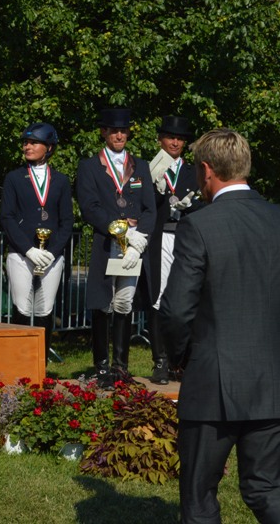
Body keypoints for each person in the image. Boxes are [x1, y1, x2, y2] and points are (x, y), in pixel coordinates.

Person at [160, 128, 280, 524]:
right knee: (266, 489)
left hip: (212, 381)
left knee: (198, 496)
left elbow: (177, 309)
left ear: (207, 170)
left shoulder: (199, 225)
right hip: (272, 382)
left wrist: (179, 359)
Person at [75, 107, 155, 387]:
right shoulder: (89, 166)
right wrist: (120, 229)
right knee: (103, 303)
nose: (119, 135)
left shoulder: (140, 166)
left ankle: (121, 367)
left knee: (124, 301)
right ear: (104, 132)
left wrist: (138, 239)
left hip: (134, 245)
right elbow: (90, 207)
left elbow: (149, 208)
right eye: (114, 131)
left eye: (123, 131)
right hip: (107, 241)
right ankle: (101, 367)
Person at [0, 123, 73, 353]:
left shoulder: (61, 180)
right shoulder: (14, 178)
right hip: (21, 253)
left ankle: (41, 363)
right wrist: (28, 249)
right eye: (25, 142)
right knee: (22, 308)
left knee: (44, 310)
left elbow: (67, 221)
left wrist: (53, 252)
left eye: (33, 143)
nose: (27, 147)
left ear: (49, 147)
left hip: (51, 255)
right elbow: (7, 217)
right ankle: (18, 361)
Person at [142, 115, 201, 384]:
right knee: (159, 297)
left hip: (186, 238)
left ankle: (184, 361)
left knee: (189, 296)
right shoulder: (150, 169)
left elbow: (205, 200)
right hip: (160, 238)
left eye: (179, 138)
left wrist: (191, 205)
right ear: (160, 140)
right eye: (170, 137)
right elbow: (143, 204)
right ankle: (161, 360)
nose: (175, 142)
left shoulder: (193, 171)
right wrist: (156, 193)